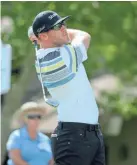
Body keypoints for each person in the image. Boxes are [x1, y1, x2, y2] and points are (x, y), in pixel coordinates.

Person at [32, 10, 105, 165]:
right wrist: (36, 33)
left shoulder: (48, 54)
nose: (64, 28)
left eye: (64, 24)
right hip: (73, 138)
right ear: (43, 36)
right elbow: (84, 36)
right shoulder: (63, 56)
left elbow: (64, 38)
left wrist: (43, 33)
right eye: (58, 26)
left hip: (88, 135)